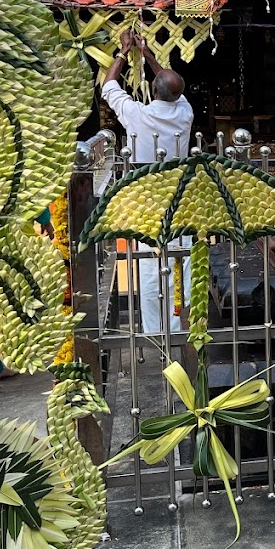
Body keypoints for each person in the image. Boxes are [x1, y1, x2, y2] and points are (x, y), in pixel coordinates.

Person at [102, 30, 195, 333]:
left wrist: (123, 51)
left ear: (153, 91)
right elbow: (170, 86)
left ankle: (155, 334)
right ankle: (179, 327)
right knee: (180, 263)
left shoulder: (137, 115)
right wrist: (148, 55)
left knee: (150, 266)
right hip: (180, 199)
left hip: (148, 202)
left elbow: (110, 87)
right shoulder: (184, 113)